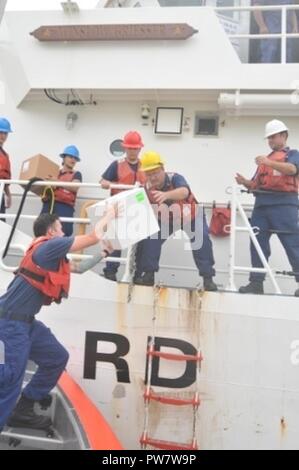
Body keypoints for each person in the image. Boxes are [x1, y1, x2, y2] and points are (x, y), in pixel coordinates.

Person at [0, 208, 117, 432]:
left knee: (56, 357)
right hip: (9, 323)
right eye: (61, 228)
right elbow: (94, 236)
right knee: (9, 380)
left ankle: (23, 409)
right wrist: (111, 213)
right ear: (51, 231)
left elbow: (80, 268)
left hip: (26, 323)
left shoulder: (52, 255)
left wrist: (103, 254)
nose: (64, 233)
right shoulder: (49, 247)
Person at [133, 151, 217, 291]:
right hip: (167, 219)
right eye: (149, 174)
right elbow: (138, 204)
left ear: (163, 169)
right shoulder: (145, 189)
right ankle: (147, 275)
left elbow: (184, 192)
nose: (153, 177)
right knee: (149, 238)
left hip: (191, 215)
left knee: (201, 238)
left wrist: (166, 195)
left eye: (156, 172)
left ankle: (208, 279)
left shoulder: (175, 178)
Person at [236, 119, 299, 296]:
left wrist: (268, 162)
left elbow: (292, 170)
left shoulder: (292, 154)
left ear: (284, 136)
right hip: (262, 206)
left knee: (293, 244)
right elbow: (256, 184)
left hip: (285, 206)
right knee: (257, 244)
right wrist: (244, 182)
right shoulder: (266, 160)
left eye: (273, 137)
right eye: (268, 138)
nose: (270, 141)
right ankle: (256, 283)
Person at [100, 130, 146, 281]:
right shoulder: (116, 165)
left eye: (135, 148)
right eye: (130, 148)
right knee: (115, 240)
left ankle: (137, 273)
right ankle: (110, 272)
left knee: (139, 242)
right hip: (118, 207)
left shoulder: (145, 167)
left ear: (139, 149)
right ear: (125, 148)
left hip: (137, 208)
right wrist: (107, 184)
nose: (132, 151)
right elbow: (103, 181)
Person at [41, 145, 82, 236]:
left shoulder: (77, 174)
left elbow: (75, 187)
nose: (73, 160)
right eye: (70, 157)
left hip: (65, 207)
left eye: (75, 158)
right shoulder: (54, 172)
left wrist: (56, 181)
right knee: (42, 231)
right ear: (64, 158)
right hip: (49, 205)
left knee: (64, 233)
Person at [0, 117, 12, 219]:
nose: (3, 136)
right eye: (1, 132)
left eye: (5, 133)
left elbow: (5, 178)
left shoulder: (5, 155)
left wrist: (8, 195)